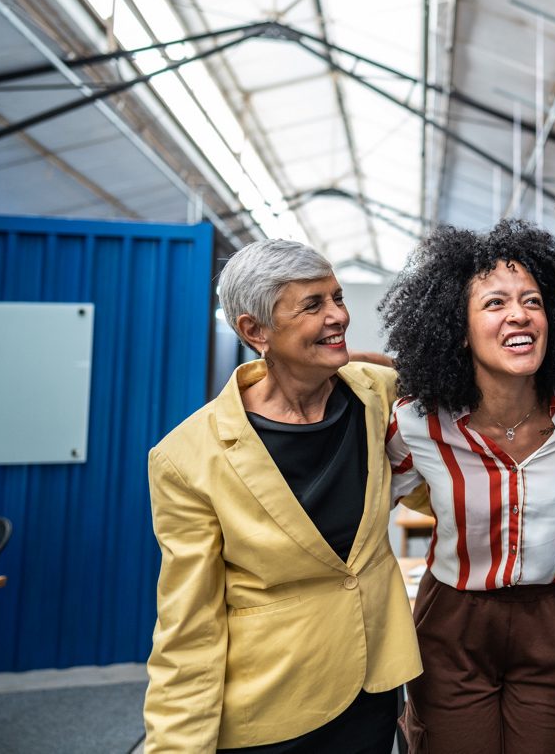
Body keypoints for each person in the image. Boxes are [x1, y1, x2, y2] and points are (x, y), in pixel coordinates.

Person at [143, 239, 420, 753]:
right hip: (274, 704)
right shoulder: (187, 456)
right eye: (313, 305)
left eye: (337, 297)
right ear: (253, 330)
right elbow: (189, 624)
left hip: (373, 685)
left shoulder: (378, 395)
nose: (338, 315)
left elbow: (437, 478)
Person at [378, 220, 555, 753]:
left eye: (533, 301)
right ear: (458, 328)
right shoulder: (416, 424)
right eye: (495, 303)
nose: (518, 314)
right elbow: (370, 503)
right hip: (454, 624)